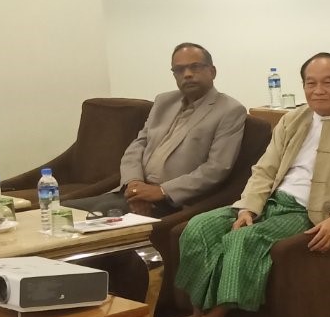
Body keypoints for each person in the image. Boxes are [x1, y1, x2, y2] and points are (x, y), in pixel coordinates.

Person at [168, 53, 330, 317]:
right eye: (310, 83)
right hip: (269, 202)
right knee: (198, 227)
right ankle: (196, 313)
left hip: (306, 211)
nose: (318, 91)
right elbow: (265, 170)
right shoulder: (293, 120)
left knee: (244, 240)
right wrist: (248, 208)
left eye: (327, 83)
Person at [67, 43, 246, 218]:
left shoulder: (229, 110)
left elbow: (216, 169)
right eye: (179, 70)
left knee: (81, 219)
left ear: (212, 71)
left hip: (173, 202)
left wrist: (161, 191)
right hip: (132, 194)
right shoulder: (164, 102)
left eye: (195, 67)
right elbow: (138, 145)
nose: (187, 74)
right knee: (63, 211)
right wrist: (134, 184)